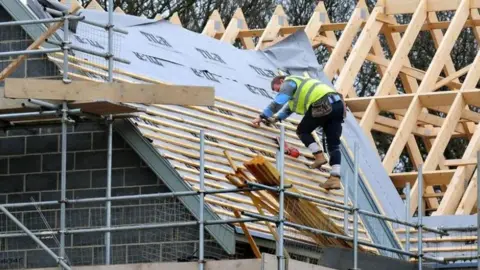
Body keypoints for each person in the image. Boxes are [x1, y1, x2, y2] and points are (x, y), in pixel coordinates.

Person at [251, 75, 346, 190]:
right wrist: (276, 118)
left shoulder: (290, 82)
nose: (279, 92)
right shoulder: (300, 89)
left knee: (302, 131)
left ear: (281, 81)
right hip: (338, 104)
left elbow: (278, 103)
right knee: (333, 145)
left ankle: (319, 156)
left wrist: (261, 116)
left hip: (323, 102)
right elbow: (289, 109)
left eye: (278, 89)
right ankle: (335, 178)